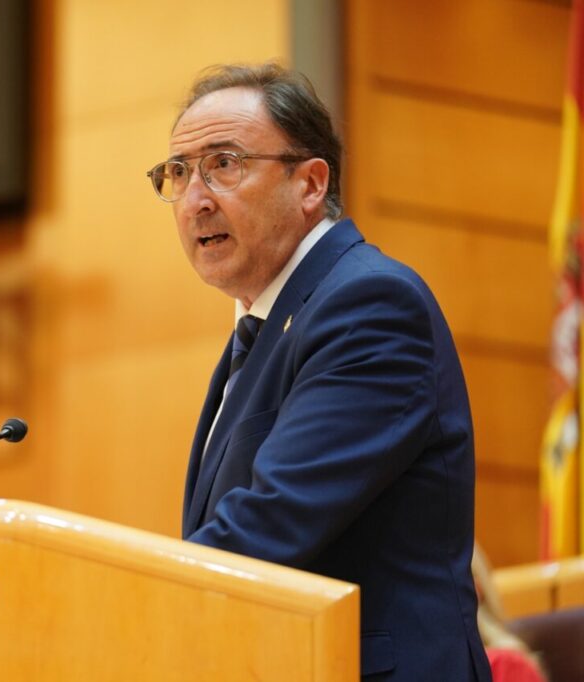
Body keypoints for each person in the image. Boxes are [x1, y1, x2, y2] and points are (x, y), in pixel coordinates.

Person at [149, 63, 492, 681]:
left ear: (310, 184)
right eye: (179, 172)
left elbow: (273, 519)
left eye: (224, 163)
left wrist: (125, 604)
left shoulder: (369, 304)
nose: (196, 198)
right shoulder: (266, 327)